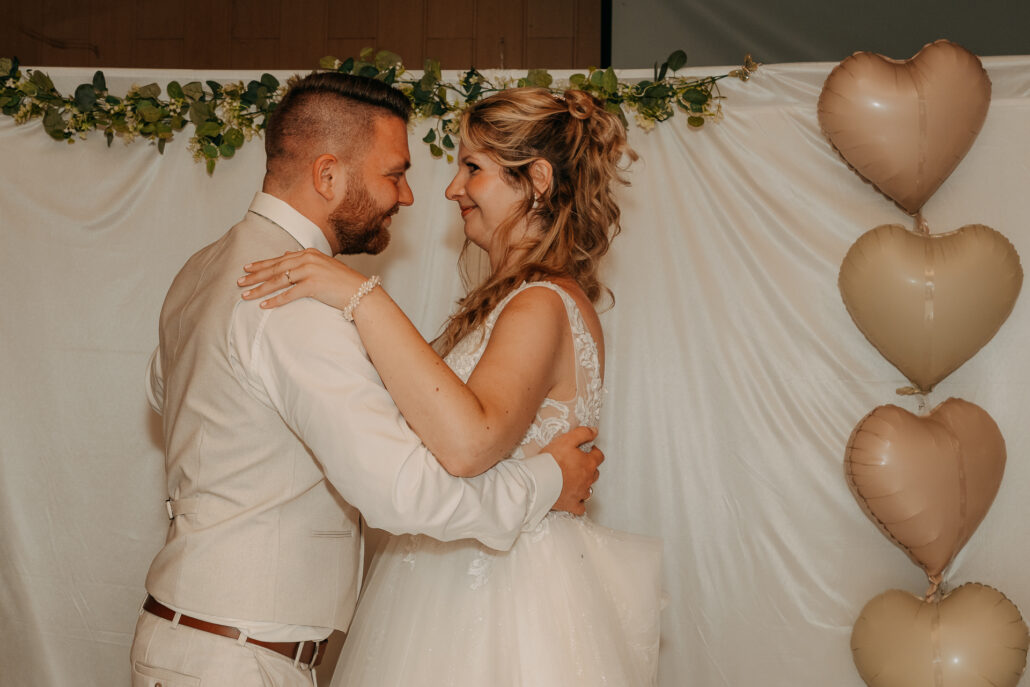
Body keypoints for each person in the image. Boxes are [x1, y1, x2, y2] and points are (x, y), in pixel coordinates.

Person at [129, 73, 603, 687]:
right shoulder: (292, 298)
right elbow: (407, 489)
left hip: (199, 638)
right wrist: (550, 479)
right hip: (234, 656)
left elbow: (168, 395)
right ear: (328, 176)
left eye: (470, 168)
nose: (413, 195)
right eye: (395, 173)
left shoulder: (206, 269)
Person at [239, 87, 664, 685]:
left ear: (537, 181)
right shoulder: (513, 301)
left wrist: (360, 295)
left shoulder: (540, 303)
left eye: (472, 168)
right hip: (450, 580)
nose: (451, 189)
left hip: (503, 605)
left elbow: (468, 445)